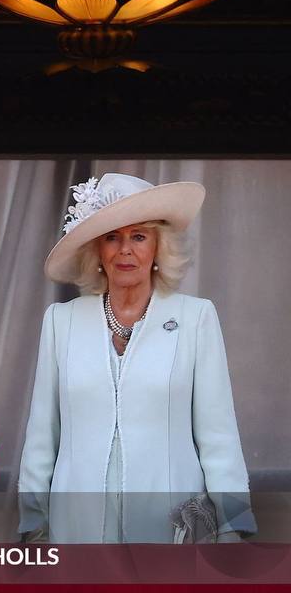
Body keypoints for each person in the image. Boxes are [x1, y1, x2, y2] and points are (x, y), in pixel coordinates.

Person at [18, 173, 254, 543]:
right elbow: (42, 437)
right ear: (97, 251)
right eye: (112, 237)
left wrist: (232, 525)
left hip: (172, 526)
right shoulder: (61, 321)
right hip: (76, 527)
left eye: (139, 237)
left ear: (160, 248)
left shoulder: (195, 318)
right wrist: (33, 524)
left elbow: (218, 435)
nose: (125, 250)